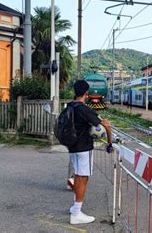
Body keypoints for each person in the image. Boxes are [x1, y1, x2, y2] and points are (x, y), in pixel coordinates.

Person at [67, 80, 112, 225]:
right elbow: (104, 125)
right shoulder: (85, 109)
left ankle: (75, 208)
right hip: (83, 148)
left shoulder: (70, 106)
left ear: (75, 92)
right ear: (86, 93)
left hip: (72, 147)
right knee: (82, 178)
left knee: (78, 176)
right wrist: (110, 142)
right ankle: (76, 213)